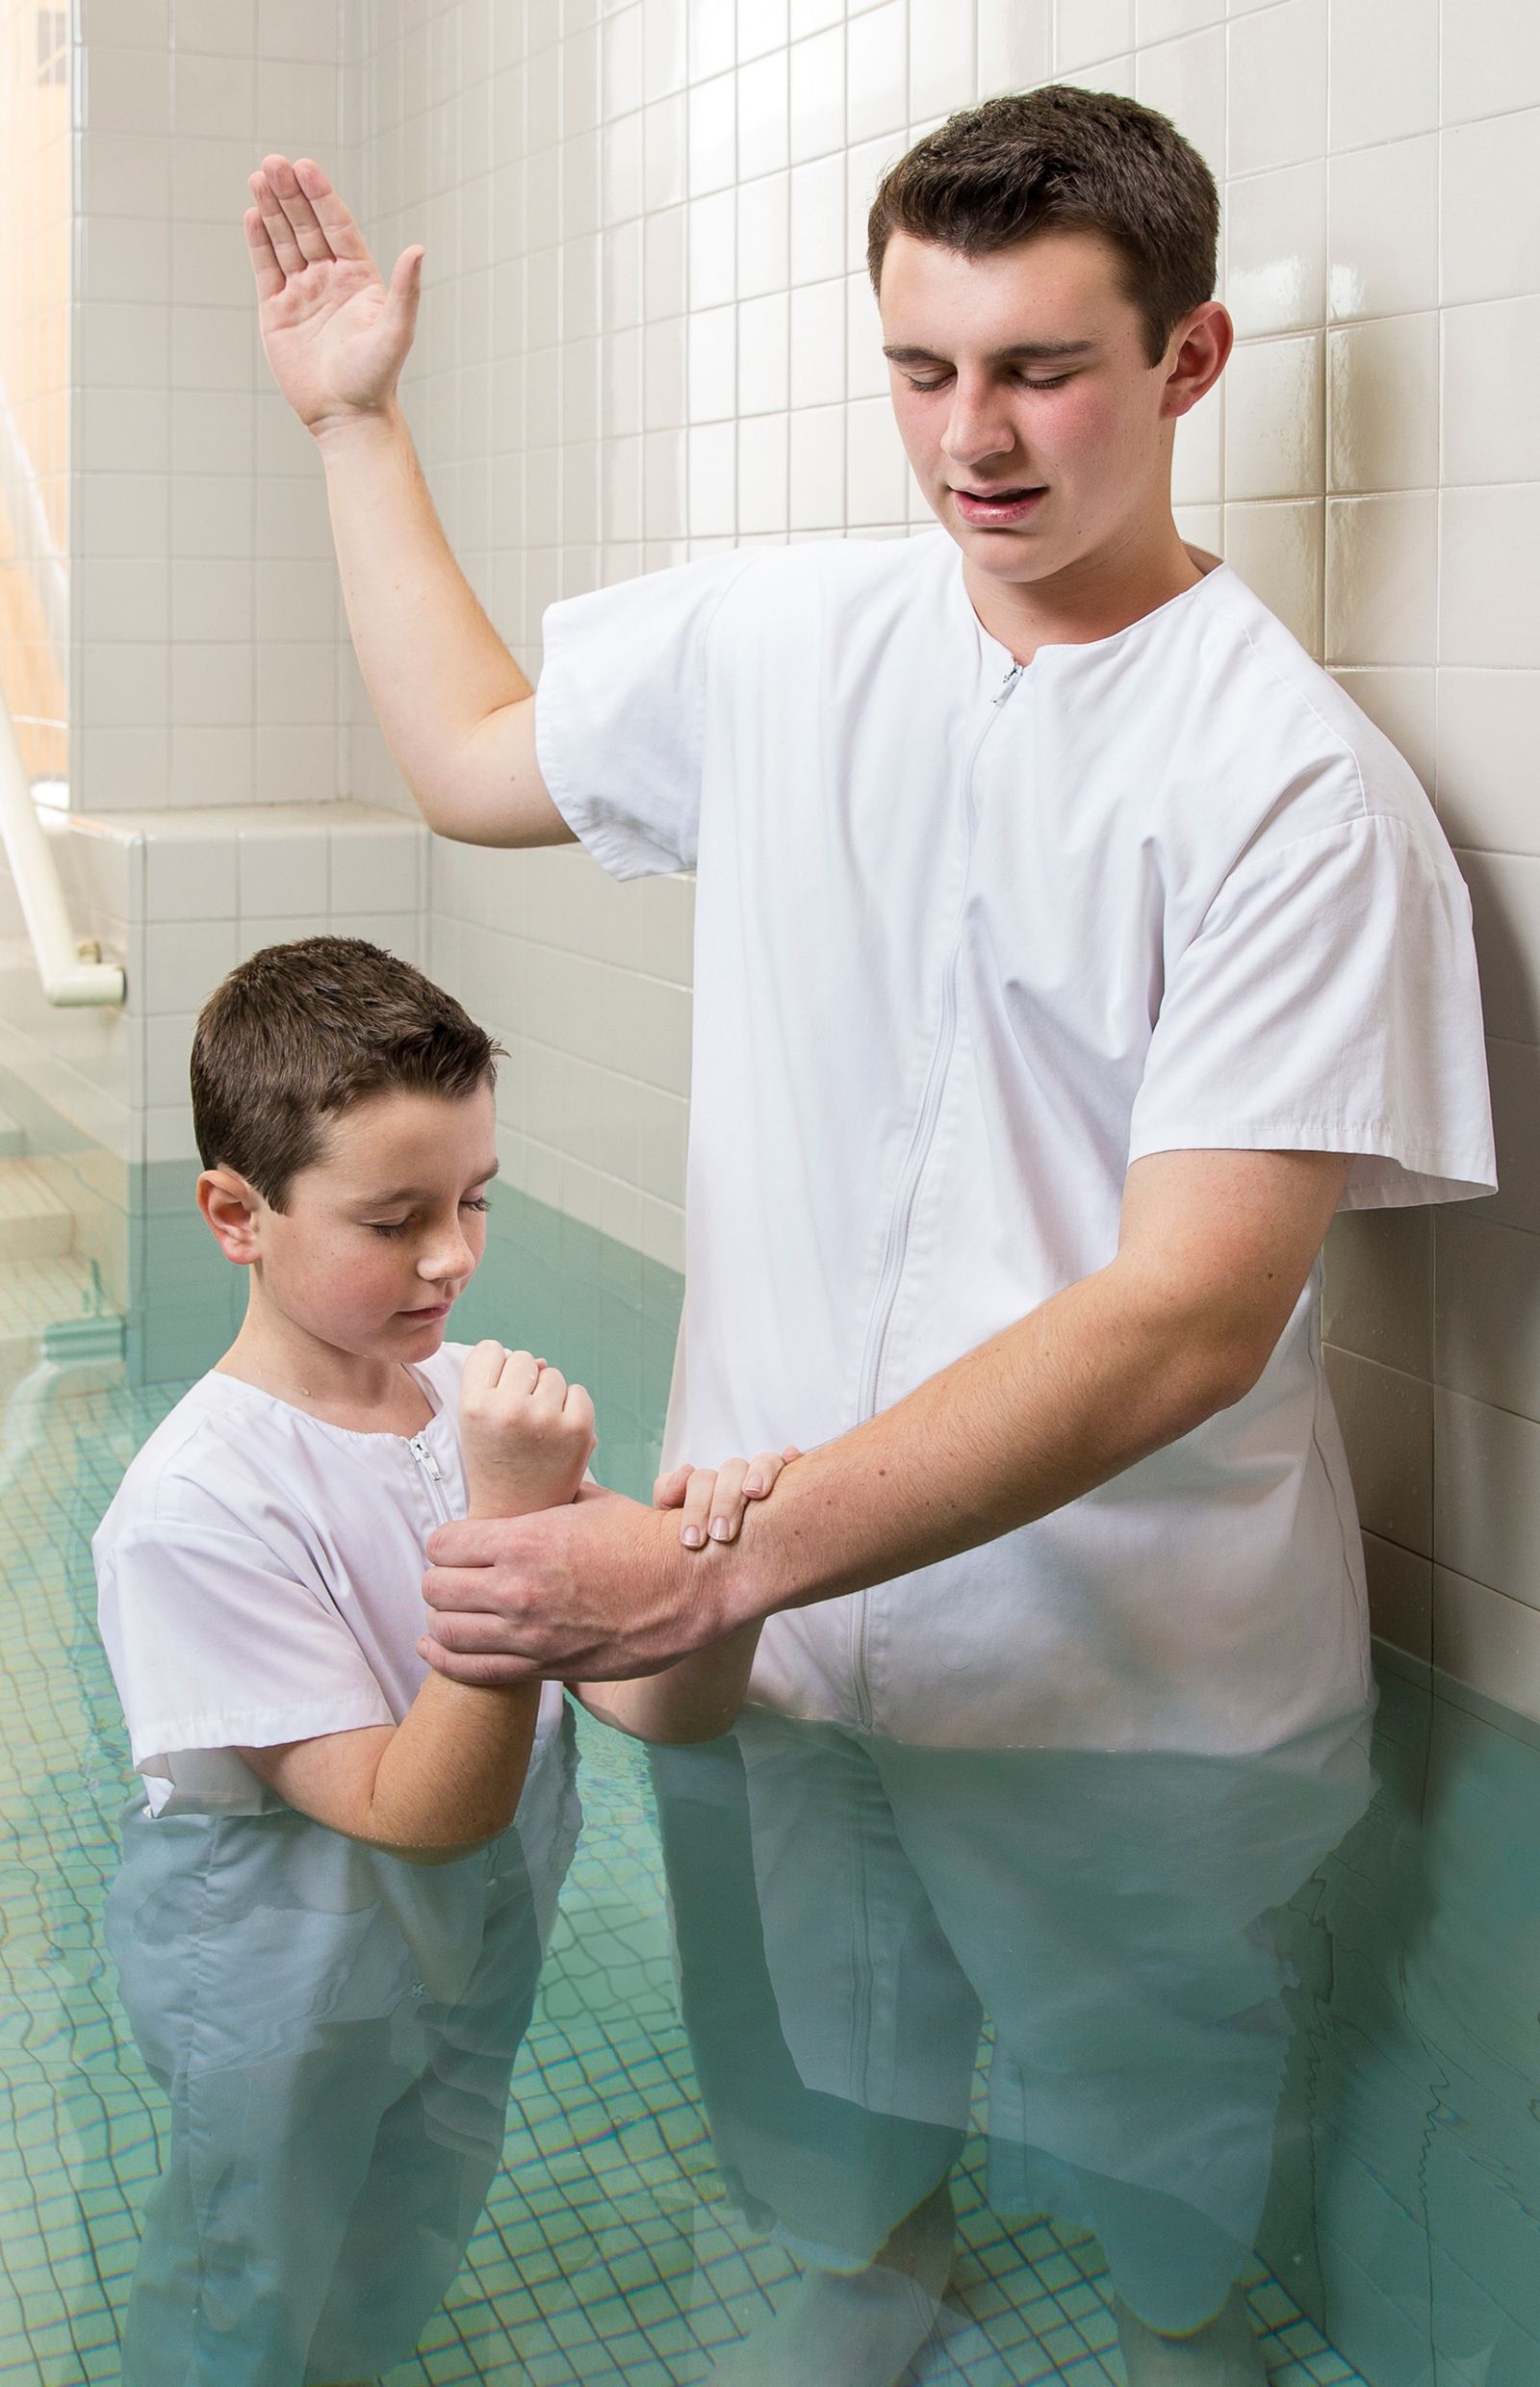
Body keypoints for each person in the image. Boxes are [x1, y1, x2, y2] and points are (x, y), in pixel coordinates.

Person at [243, 83, 1495, 2384]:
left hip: (1110, 1637)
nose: (970, 439)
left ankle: (1178, 2318)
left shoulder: (1288, 788)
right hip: (762, 1583)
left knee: (1142, 2073)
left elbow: (1187, 1316)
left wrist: (710, 1566)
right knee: (809, 2006)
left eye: (1039, 368)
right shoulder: (792, 642)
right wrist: (353, 426)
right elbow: (470, 758)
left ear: (1186, 361)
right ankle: (868, 2260)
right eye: (922, 370)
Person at [95, 937, 791, 2387]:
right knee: (249, 2261)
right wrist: (521, 1523)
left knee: (416, 2204)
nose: (454, 1257)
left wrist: (725, 1582)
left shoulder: (474, 1399)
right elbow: (422, 1811)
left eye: (474, 1201)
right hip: (280, 1972)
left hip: (475, 1933)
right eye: (394, 1218)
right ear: (237, 1213)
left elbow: (660, 1702)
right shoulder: (196, 1506)